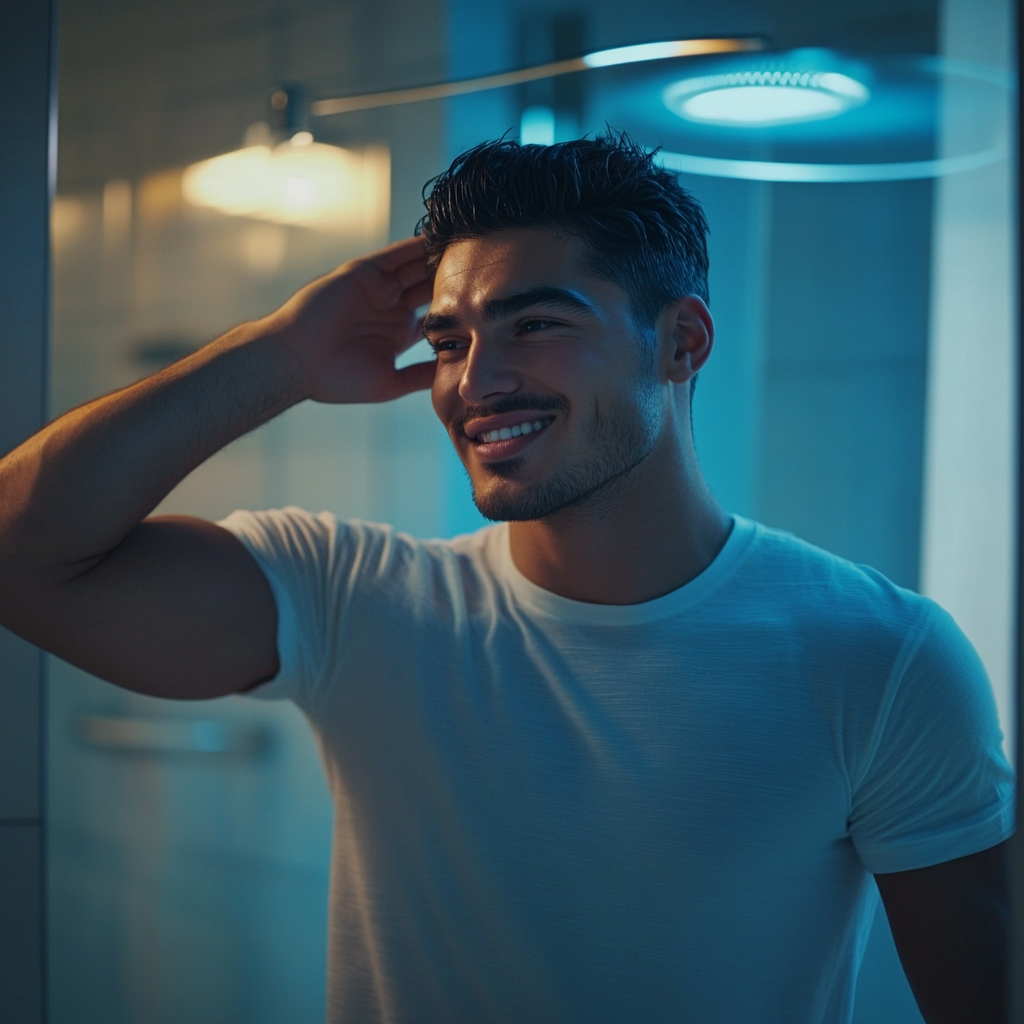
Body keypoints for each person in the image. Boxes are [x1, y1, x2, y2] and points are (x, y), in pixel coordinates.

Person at [0, 133, 1013, 1024]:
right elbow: (20, 554)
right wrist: (283, 355)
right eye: (448, 339)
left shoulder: (881, 656)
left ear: (680, 341)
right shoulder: (355, 600)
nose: (472, 383)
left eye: (535, 324)